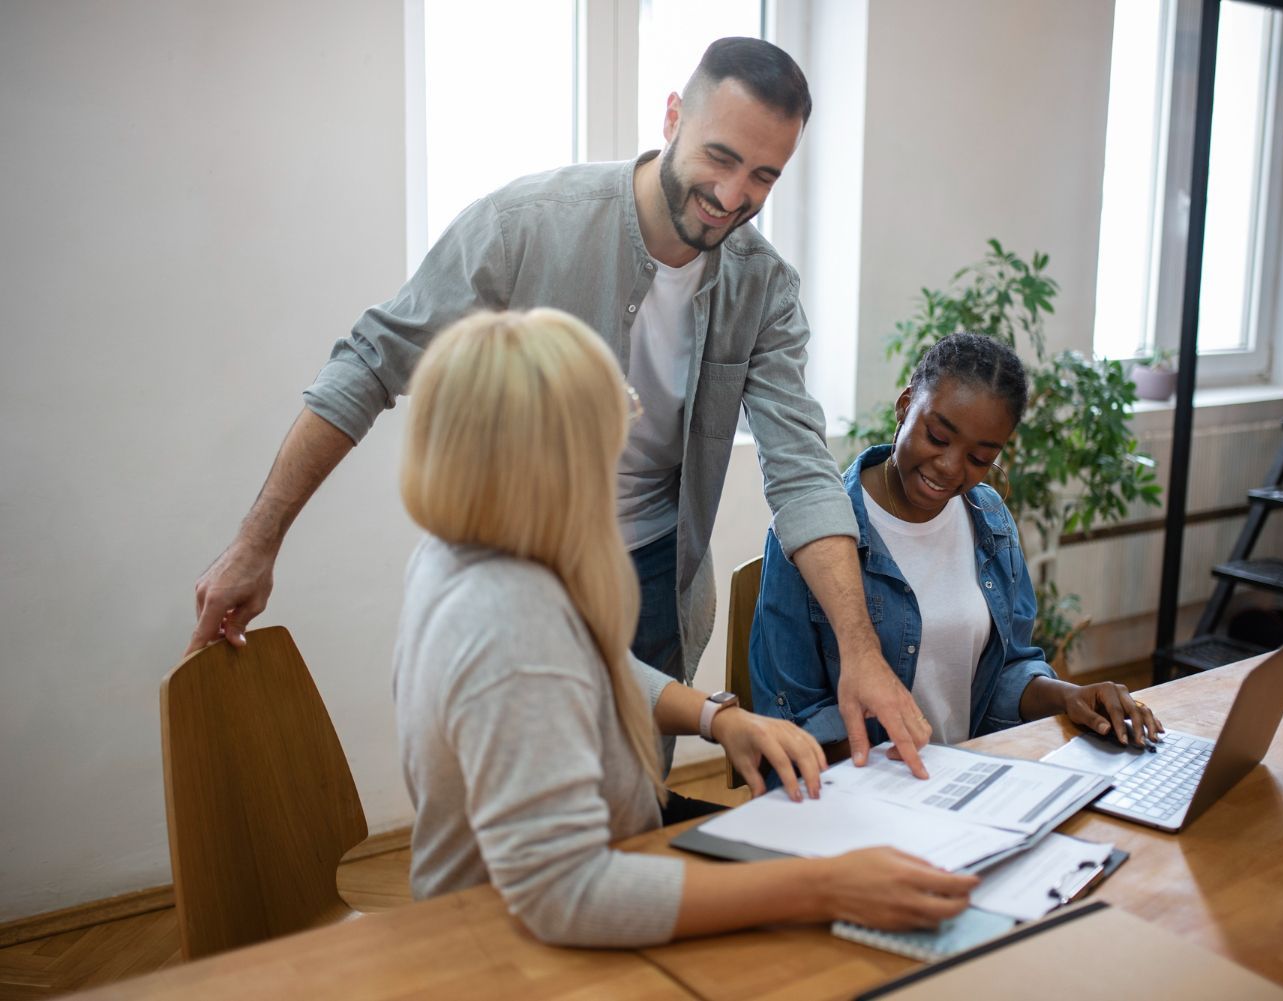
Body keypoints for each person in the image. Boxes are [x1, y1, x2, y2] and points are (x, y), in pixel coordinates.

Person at [189, 36, 930, 776]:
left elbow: (800, 468)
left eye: (764, 176)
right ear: (672, 116)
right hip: (521, 565)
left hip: (655, 579)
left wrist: (859, 653)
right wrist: (257, 541)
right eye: (721, 158)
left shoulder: (764, 288)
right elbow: (372, 361)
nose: (734, 196)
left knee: (633, 807)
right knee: (524, 830)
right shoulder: (525, 225)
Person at [392, 308, 975, 946]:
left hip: (593, 856)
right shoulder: (508, 615)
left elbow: (582, 667)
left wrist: (717, 718)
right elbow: (567, 895)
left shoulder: (465, 550)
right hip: (499, 944)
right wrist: (827, 886)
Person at [751, 333, 1164, 751]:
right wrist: (903, 787)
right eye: (937, 437)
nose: (950, 468)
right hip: (858, 791)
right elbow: (796, 715)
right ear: (905, 404)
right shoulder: (814, 533)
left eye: (979, 459)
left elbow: (1003, 672)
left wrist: (1070, 695)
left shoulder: (991, 521)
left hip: (959, 780)